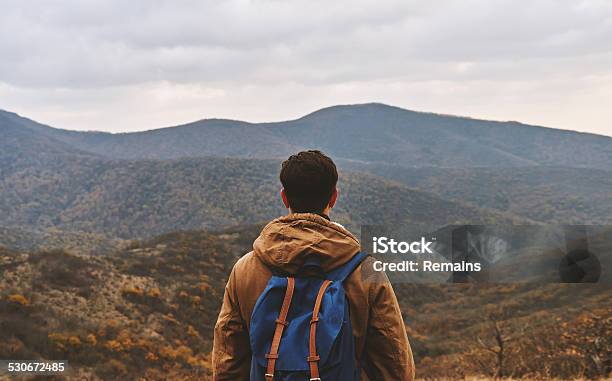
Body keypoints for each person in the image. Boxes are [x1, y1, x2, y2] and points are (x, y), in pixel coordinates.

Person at [212, 150, 414, 380]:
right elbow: (395, 363)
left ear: (284, 197)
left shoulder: (245, 270)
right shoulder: (366, 270)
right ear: (334, 197)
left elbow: (228, 362)